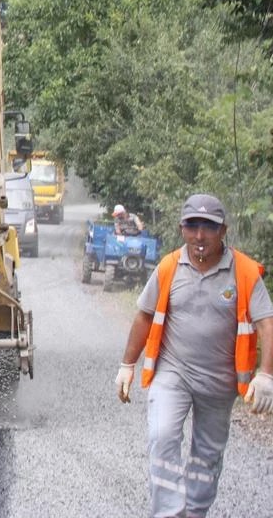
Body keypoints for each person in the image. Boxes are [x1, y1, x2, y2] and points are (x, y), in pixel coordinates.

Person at [114, 193, 273, 518]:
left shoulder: (243, 272)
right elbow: (144, 316)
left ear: (223, 230)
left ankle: (195, 512)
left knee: (207, 457)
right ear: (181, 228)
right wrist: (127, 365)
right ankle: (170, 513)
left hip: (220, 384)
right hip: (173, 375)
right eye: (192, 226)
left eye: (209, 227)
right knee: (162, 438)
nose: (200, 235)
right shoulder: (169, 267)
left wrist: (266, 374)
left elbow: (267, 323)